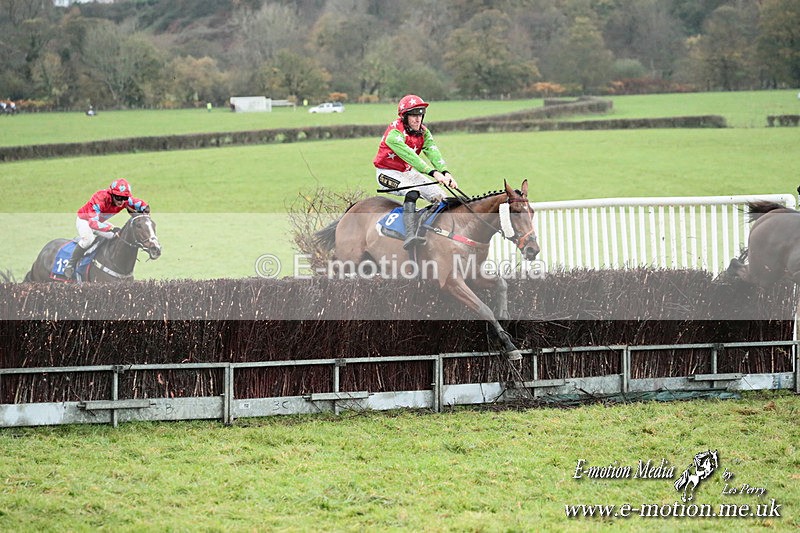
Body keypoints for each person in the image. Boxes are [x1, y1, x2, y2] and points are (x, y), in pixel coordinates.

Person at [373, 94, 458, 249]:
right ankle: (410, 235)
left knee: (442, 197)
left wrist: (446, 172)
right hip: (387, 172)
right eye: (413, 115)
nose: (418, 119)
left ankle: (435, 232)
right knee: (412, 192)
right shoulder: (394, 134)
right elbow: (411, 157)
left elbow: (433, 152)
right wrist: (433, 173)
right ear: (404, 117)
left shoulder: (424, 132)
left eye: (420, 114)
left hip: (408, 172)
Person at [63, 178, 150, 279]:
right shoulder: (101, 198)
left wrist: (146, 211)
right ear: (112, 194)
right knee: (88, 240)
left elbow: (142, 204)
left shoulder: (126, 200)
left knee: (118, 237)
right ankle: (71, 265)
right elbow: (93, 223)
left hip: (99, 222)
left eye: (124, 198)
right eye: (118, 197)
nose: (121, 201)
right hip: (85, 220)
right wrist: (111, 228)